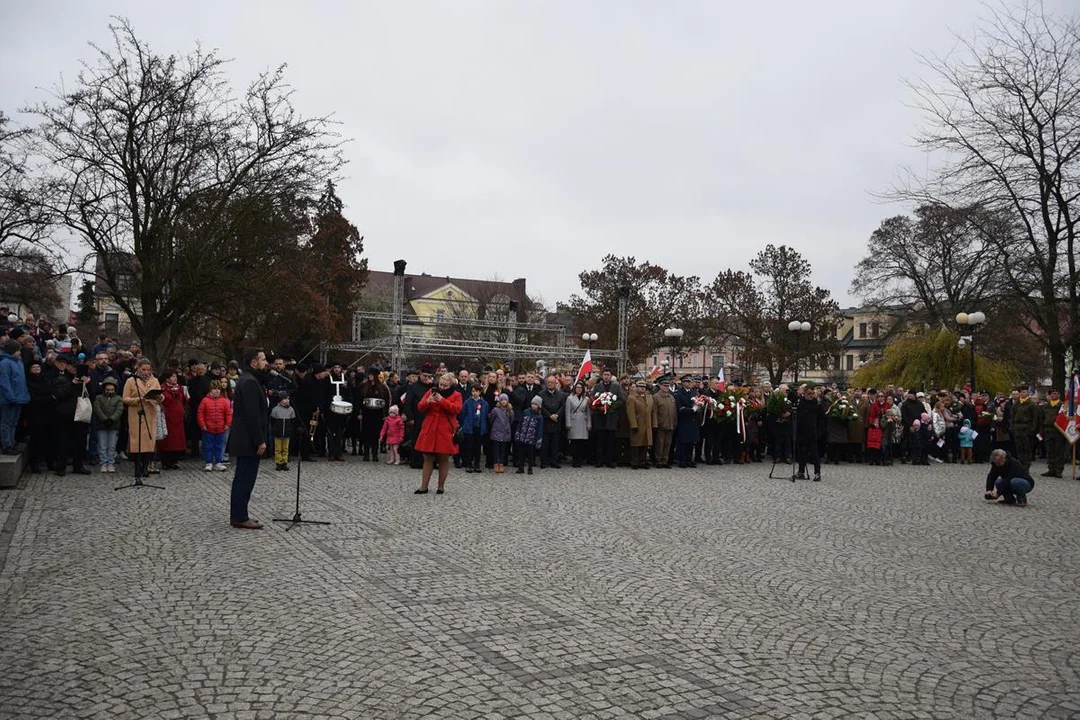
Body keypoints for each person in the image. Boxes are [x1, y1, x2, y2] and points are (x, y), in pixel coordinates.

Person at [228, 349, 269, 529]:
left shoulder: (248, 379)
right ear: (254, 362)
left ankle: (240, 514)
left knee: (243, 478)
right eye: (263, 359)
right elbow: (252, 416)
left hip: (245, 438)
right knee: (244, 478)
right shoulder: (250, 382)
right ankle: (239, 517)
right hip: (247, 440)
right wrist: (259, 440)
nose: (266, 362)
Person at [413, 372, 463, 494]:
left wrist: (442, 400)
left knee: (443, 457)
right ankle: (424, 486)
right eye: (441, 384)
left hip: (445, 429)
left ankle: (441, 486)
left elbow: (456, 409)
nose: (442, 387)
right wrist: (427, 402)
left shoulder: (457, 395)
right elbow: (420, 407)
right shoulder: (431, 391)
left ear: (450, 385)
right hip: (430, 426)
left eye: (445, 385)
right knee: (427, 457)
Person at [121, 358, 161, 481]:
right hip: (136, 414)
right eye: (143, 369)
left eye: (148, 370)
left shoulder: (155, 381)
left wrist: (159, 397)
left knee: (149, 442)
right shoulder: (131, 381)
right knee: (137, 442)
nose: (146, 372)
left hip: (150, 413)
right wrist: (138, 400)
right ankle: (137, 467)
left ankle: (146, 467)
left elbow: (160, 396)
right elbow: (125, 398)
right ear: (138, 369)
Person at [589, 369, 625, 468]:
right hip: (600, 418)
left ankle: (610, 460)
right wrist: (599, 405)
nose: (606, 376)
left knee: (611, 441)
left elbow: (621, 400)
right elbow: (592, 399)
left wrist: (612, 405)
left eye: (608, 375)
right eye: (604, 374)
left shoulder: (616, 387)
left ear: (611, 376)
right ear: (602, 376)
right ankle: (599, 460)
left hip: (611, 418)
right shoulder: (597, 387)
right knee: (600, 441)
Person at [0, 339, 28, 454]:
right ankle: (6, 444)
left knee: (14, 422)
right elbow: (5, 382)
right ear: (12, 351)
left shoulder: (19, 363)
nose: (20, 353)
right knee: (7, 422)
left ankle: (12, 441)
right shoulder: (4, 363)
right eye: (18, 350)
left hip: (19, 398)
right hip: (9, 399)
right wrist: (11, 397)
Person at [197, 379, 232, 471]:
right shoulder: (204, 401)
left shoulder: (224, 401)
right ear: (210, 389)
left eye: (218, 389)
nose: (216, 390)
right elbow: (200, 413)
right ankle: (208, 462)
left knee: (219, 446)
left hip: (221, 428)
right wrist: (202, 425)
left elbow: (228, 413)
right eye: (214, 389)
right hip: (208, 428)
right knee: (208, 446)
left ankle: (218, 462)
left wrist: (228, 424)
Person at [156, 370, 187, 470]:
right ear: (167, 378)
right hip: (168, 417)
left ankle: (174, 460)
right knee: (167, 440)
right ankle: (165, 461)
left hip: (178, 418)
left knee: (177, 440)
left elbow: (185, 400)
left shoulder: (180, 388)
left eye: (175, 376)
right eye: (173, 376)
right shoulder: (162, 388)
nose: (175, 378)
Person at [24, 361, 52, 473]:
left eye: (38, 366)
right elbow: (32, 398)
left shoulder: (45, 379)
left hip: (47, 413)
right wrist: (48, 398)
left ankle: (49, 461)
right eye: (34, 366)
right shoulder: (28, 381)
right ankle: (34, 463)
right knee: (35, 440)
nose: (36, 368)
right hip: (34, 414)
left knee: (48, 439)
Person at [92, 376, 123, 472]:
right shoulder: (99, 398)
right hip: (102, 425)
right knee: (102, 445)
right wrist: (104, 419)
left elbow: (119, 410)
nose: (109, 391)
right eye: (107, 389)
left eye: (112, 389)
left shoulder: (118, 398)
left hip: (114, 425)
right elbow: (97, 409)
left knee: (112, 446)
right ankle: (103, 463)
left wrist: (112, 419)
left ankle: (111, 463)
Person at [795, 386, 825, 481]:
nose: (811, 396)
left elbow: (821, 419)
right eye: (809, 394)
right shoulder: (800, 403)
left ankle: (817, 473)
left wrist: (820, 431)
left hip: (812, 432)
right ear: (804, 393)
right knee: (802, 453)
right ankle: (801, 471)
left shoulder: (817, 404)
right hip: (801, 432)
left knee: (814, 454)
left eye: (812, 394)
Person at [458, 383, 489, 473]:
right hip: (469, 427)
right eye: (472, 391)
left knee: (477, 447)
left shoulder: (484, 403)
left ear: (480, 392)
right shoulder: (467, 402)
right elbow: (462, 414)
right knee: (469, 447)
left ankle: (477, 464)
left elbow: (486, 414)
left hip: (479, 427)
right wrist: (464, 423)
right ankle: (469, 464)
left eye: (476, 391)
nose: (474, 393)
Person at [626, 379, 655, 469]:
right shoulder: (632, 398)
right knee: (636, 445)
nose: (642, 389)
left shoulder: (649, 397)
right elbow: (631, 413)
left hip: (647, 425)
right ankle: (635, 462)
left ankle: (643, 461)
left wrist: (654, 424)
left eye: (644, 387)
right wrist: (633, 425)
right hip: (638, 424)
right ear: (636, 387)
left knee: (645, 444)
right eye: (640, 387)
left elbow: (652, 412)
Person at [539, 375, 566, 468]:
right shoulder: (541, 394)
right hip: (546, 422)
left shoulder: (561, 394)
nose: (550, 384)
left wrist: (556, 415)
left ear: (555, 383)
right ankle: (544, 461)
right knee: (545, 444)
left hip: (556, 422)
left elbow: (563, 406)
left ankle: (554, 461)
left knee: (555, 444)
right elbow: (541, 407)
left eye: (552, 382)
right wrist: (549, 415)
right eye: (548, 382)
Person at [1010, 387, 1041, 469]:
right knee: (1019, 448)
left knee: (1027, 449)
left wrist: (1033, 430)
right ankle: (1020, 466)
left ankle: (1026, 466)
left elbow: (1035, 418)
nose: (1022, 394)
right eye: (1020, 392)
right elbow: (1012, 417)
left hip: (1027, 428)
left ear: (1027, 393)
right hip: (1017, 428)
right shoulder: (1016, 404)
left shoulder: (1031, 405)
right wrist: (1012, 427)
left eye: (1023, 392)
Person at [673, 375, 700, 468]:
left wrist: (699, 406)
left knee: (691, 441)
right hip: (684, 420)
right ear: (683, 383)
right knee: (683, 442)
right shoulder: (679, 393)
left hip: (693, 420)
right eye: (687, 382)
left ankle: (689, 459)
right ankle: (681, 460)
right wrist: (692, 410)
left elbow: (698, 402)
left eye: (690, 382)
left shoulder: (694, 392)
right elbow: (680, 408)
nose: (689, 384)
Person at [565, 381, 592, 468]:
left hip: (583, 421)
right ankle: (574, 460)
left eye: (580, 388)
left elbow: (588, 412)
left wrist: (589, 424)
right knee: (574, 442)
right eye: (577, 387)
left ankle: (579, 460)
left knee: (581, 443)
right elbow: (567, 412)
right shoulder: (570, 398)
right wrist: (568, 423)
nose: (579, 389)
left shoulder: (586, 399)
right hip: (573, 421)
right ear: (574, 388)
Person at [514, 396, 543, 475]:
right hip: (523, 437)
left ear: (539, 406)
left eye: (535, 404)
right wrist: (518, 432)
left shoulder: (539, 416)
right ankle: (521, 467)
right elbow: (520, 422)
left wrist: (538, 439)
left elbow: (539, 429)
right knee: (521, 453)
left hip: (531, 438)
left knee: (531, 454)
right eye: (532, 403)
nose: (533, 405)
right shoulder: (525, 412)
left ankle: (530, 468)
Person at [1040, 390, 1067, 478]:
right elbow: (1041, 418)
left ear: (1059, 395)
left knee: (1059, 452)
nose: (1053, 395)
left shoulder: (1062, 406)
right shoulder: (1045, 406)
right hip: (1048, 430)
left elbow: (1066, 419)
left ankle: (1058, 470)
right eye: (1052, 394)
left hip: (1058, 431)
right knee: (1050, 451)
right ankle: (1051, 469)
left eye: (1055, 393)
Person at [651, 378, 676, 468]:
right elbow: (654, 412)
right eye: (664, 386)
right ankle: (658, 460)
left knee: (667, 443)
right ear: (660, 386)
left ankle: (665, 460)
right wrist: (655, 424)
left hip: (670, 424)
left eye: (668, 386)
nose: (666, 387)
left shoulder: (671, 397)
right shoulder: (656, 397)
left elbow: (674, 412)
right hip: (661, 424)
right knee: (659, 443)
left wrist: (674, 423)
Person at [270, 392, 296, 471]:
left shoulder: (291, 409)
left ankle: (284, 462)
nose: (287, 400)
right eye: (285, 399)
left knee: (285, 449)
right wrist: (275, 429)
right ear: (281, 400)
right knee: (278, 449)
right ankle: (278, 462)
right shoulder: (275, 410)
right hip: (278, 432)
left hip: (287, 432)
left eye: (288, 399)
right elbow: (272, 421)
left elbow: (293, 421)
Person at [488, 393, 514, 473]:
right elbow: (491, 419)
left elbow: (511, 421)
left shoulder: (510, 411)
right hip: (496, 431)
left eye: (505, 400)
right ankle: (496, 463)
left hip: (505, 432)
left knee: (503, 450)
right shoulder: (495, 410)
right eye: (502, 400)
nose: (503, 401)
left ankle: (501, 463)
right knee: (496, 449)